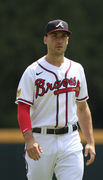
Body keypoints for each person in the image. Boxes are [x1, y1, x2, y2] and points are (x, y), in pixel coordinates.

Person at [15, 19, 96, 180]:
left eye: (63, 36)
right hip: (41, 140)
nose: (59, 40)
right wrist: (29, 140)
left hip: (70, 140)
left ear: (68, 40)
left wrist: (90, 141)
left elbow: (82, 107)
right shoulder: (32, 71)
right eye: (54, 36)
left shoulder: (77, 69)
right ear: (45, 39)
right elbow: (23, 108)